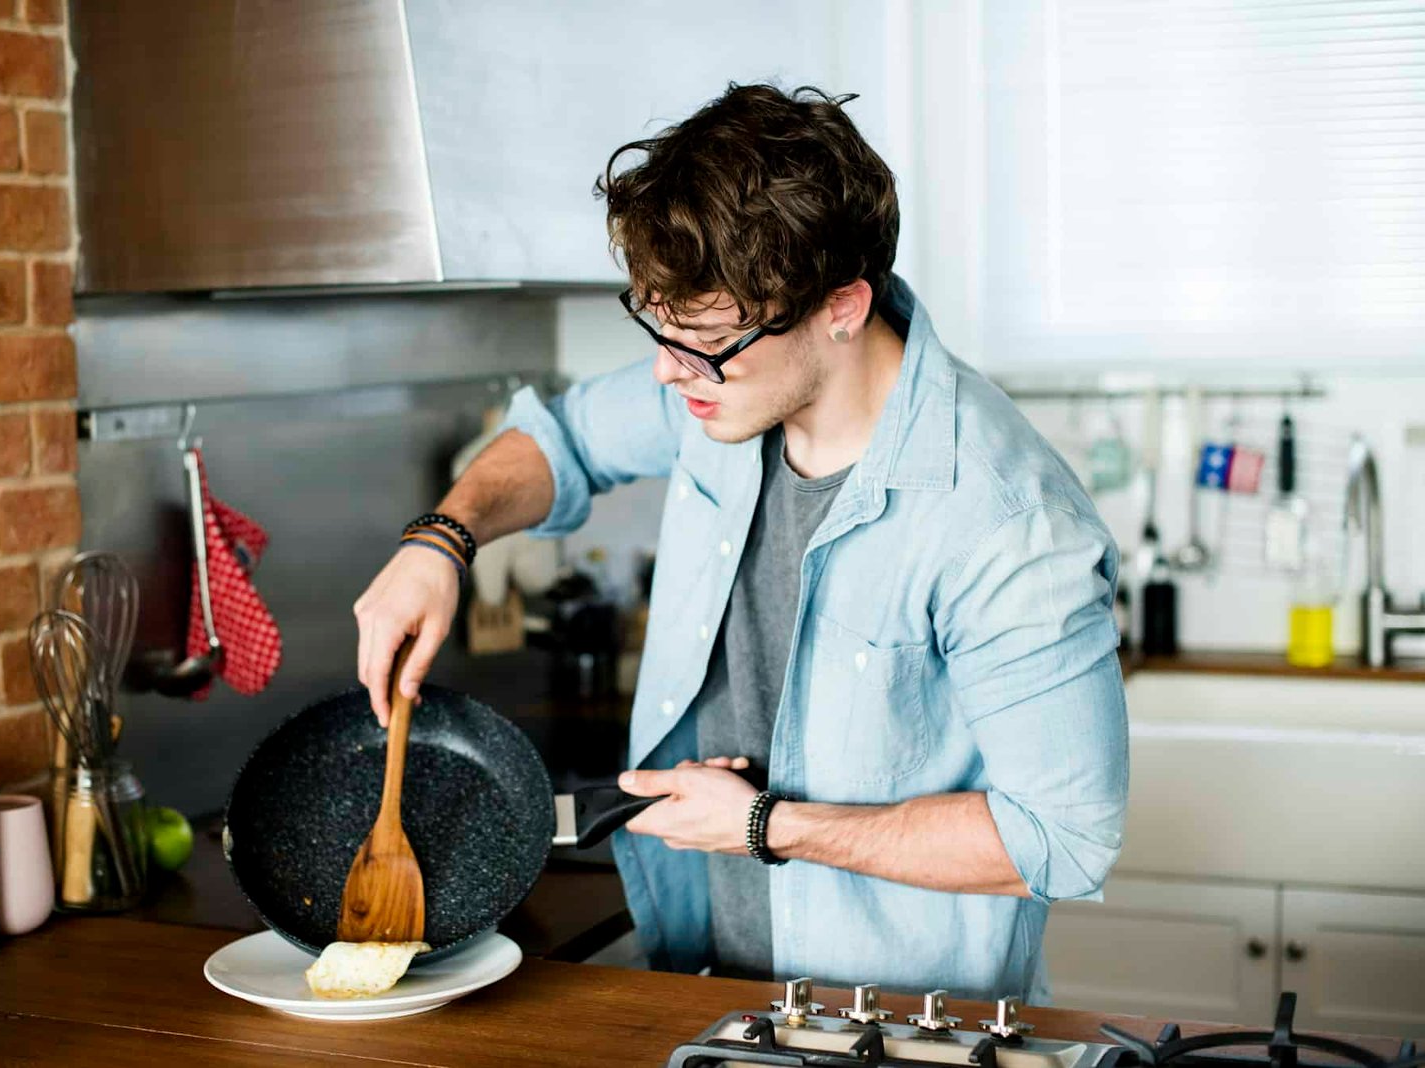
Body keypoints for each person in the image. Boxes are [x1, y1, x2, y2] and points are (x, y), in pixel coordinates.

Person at [352, 83, 1128, 1002]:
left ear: (842, 306)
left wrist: (768, 826)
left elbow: (1061, 838)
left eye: (706, 340)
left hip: (896, 1030)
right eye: (658, 327)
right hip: (710, 989)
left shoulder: (1005, 521)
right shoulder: (723, 391)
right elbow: (563, 441)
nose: (665, 370)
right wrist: (441, 541)